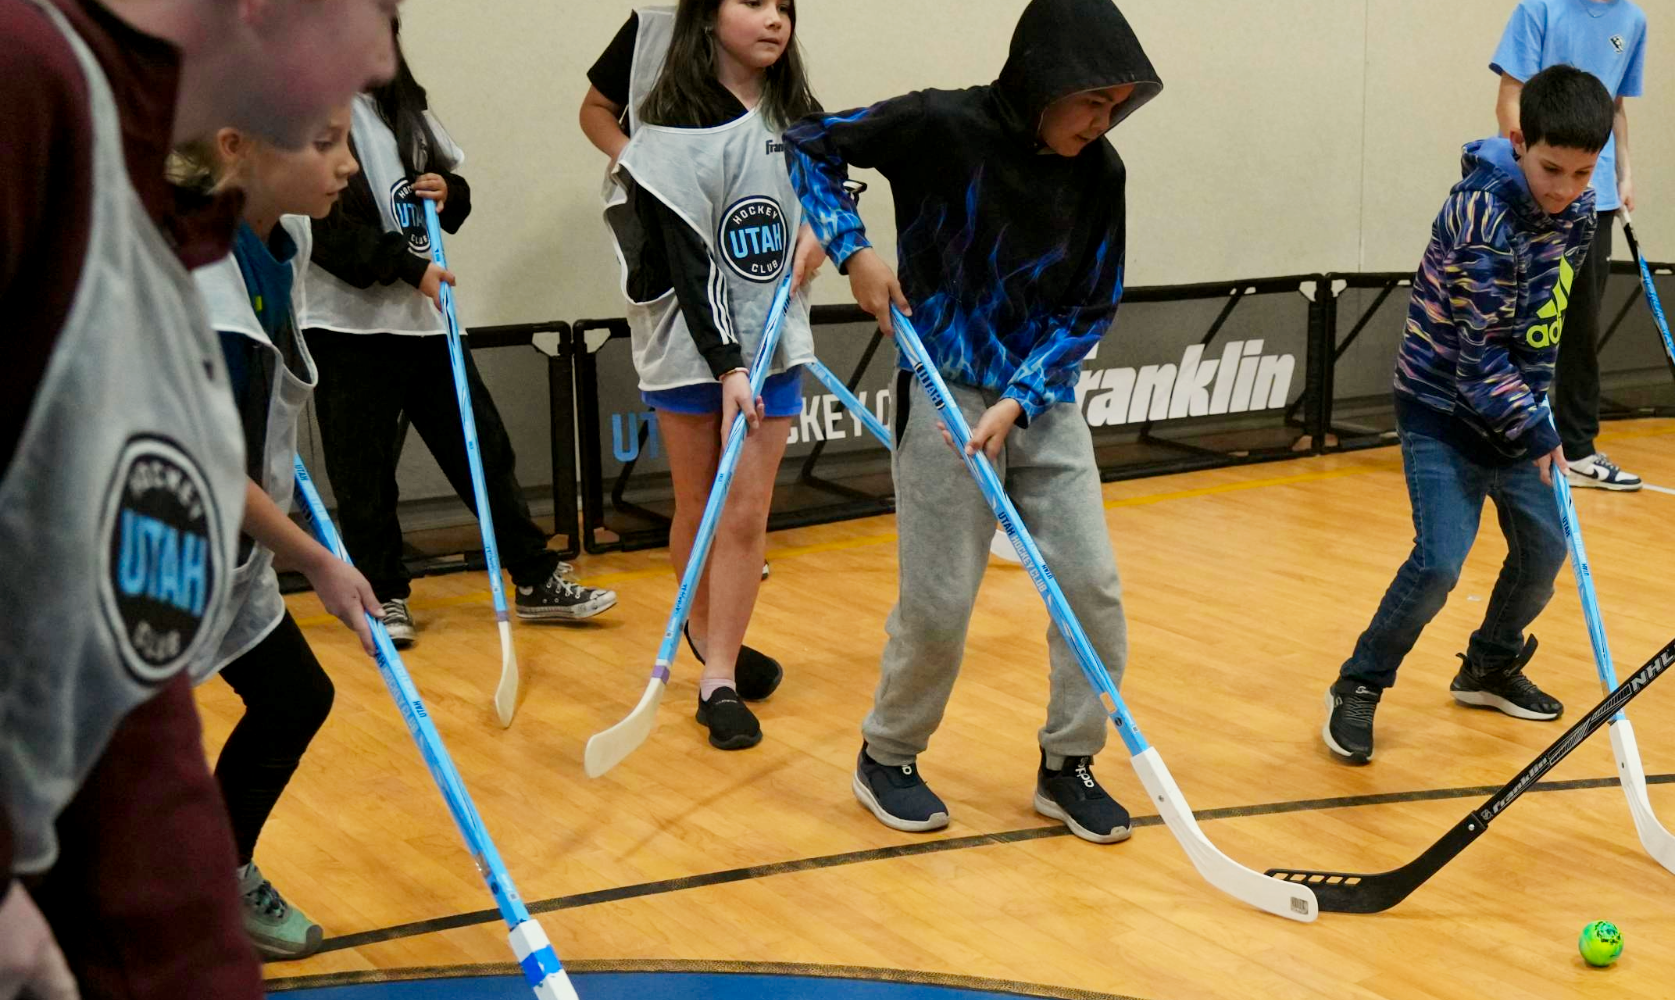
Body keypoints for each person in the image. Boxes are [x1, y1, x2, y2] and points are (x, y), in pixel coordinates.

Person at [0, 0, 391, 994]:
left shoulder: (161, 197)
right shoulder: (24, 80)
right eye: (379, 13)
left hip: (112, 823)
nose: (383, 56)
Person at [784, 0, 1160, 842]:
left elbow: (1090, 305)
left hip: (1041, 402)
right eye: (1092, 102)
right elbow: (809, 142)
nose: (1104, 123)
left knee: (1092, 591)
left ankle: (1069, 765)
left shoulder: (1102, 176)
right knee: (941, 599)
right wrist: (853, 248)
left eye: (1117, 107)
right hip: (942, 386)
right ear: (1043, 80)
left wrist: (1023, 398)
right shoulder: (937, 123)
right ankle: (888, 753)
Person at [1316, 66, 1618, 766]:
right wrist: (1543, 432)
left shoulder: (1577, 211)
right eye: (1550, 168)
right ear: (1518, 141)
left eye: (1581, 172)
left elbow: (1542, 326)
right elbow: (1478, 364)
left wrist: (1540, 414)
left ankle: (1488, 665)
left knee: (1544, 552)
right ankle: (1358, 683)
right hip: (1441, 407)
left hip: (1515, 407)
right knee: (1440, 563)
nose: (1565, 188)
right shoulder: (1480, 213)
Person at [310, 23, 614, 650]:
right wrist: (405, 264)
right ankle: (384, 595)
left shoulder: (407, 110)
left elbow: (454, 193)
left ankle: (534, 578)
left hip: (427, 323)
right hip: (348, 328)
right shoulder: (302, 113)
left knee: (483, 451)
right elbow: (321, 230)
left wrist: (449, 195)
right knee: (363, 473)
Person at [592, 0, 828, 750]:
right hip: (692, 343)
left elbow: (832, 188)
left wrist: (825, 229)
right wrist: (727, 364)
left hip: (775, 339)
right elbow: (694, 264)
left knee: (748, 511)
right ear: (708, 14)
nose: (774, 19)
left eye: (785, 7)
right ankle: (702, 632)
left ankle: (717, 676)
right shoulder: (668, 128)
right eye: (754, 3)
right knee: (700, 506)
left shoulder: (800, 112)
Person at [178, 105, 380, 960]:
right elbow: (208, 466)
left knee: (295, 697)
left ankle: (219, 881)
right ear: (237, 147)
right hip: (149, 554)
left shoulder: (278, 249)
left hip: (232, 552)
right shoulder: (196, 273)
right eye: (324, 143)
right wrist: (322, 564)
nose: (348, 166)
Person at [1488, 0, 1648, 491]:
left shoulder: (1633, 21)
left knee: (1580, 324)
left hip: (1592, 198)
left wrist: (1623, 174)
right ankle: (1504, 436)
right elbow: (1510, 97)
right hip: (1535, 189)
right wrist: (1526, 175)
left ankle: (1578, 449)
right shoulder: (1539, 9)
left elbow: (1614, 108)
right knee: (1519, 318)